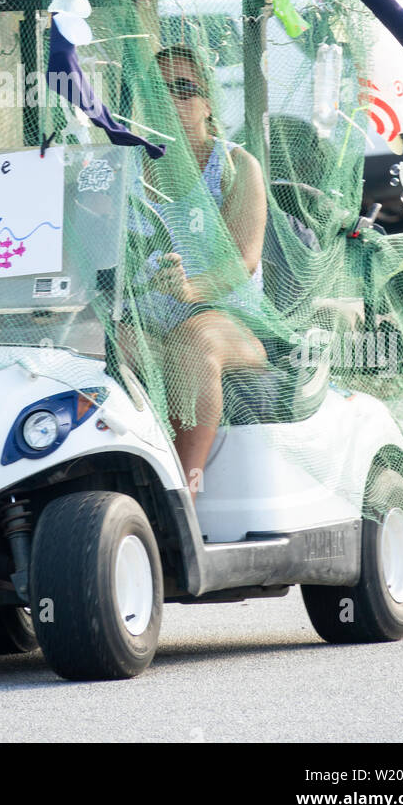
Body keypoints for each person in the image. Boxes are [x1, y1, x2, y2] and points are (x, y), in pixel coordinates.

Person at [125, 44, 270, 501]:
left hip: (228, 321)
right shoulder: (121, 164)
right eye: (158, 89)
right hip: (147, 319)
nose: (171, 99)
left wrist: (190, 289)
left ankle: (181, 495)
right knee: (113, 346)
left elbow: (242, 260)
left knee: (192, 342)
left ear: (208, 101)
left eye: (184, 88)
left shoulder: (235, 165)